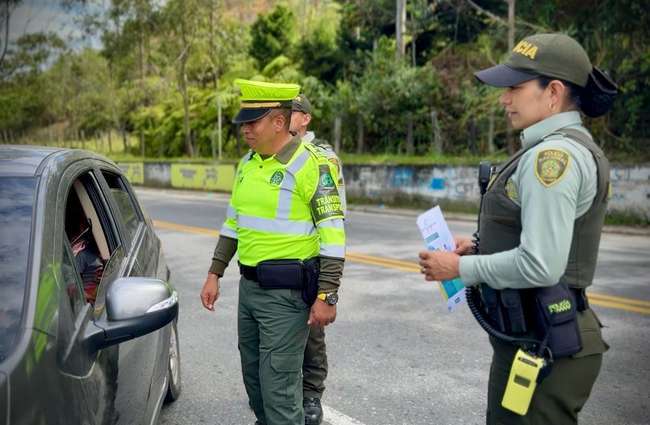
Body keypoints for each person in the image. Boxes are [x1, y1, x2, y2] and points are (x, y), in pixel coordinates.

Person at [418, 33, 617, 425]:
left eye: (515, 87)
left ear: (553, 92)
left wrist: (460, 269)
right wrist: (479, 250)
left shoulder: (552, 157)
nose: (504, 98)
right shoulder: (560, 147)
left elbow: (541, 264)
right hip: (537, 335)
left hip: (546, 343)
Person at [200, 79, 346, 425]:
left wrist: (328, 294)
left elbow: (333, 235)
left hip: (287, 294)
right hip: (249, 290)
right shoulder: (247, 164)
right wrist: (214, 273)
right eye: (244, 123)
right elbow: (233, 223)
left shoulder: (313, 165)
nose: (245, 130)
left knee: (279, 391)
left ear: (279, 122)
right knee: (256, 383)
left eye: (253, 122)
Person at [290, 94, 346, 425]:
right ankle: (281, 391)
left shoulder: (323, 157)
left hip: (314, 258)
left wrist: (329, 281)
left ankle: (311, 393)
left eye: (292, 112)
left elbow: (333, 217)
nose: (283, 117)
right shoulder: (268, 154)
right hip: (280, 260)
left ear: (306, 118)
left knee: (312, 332)